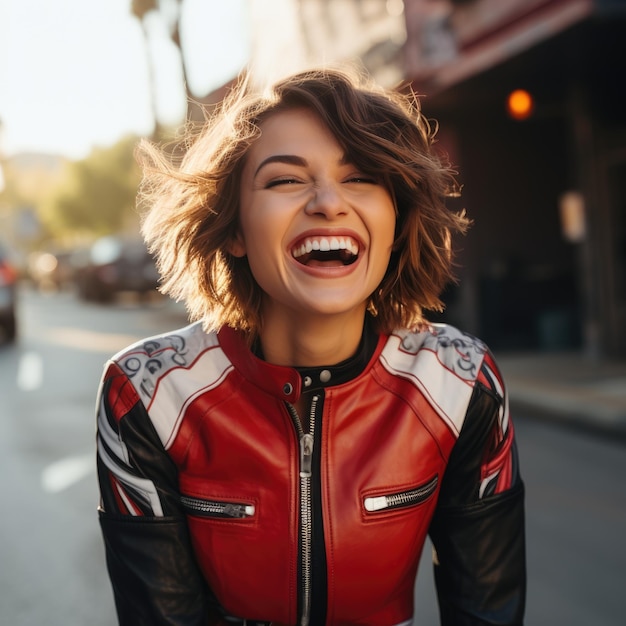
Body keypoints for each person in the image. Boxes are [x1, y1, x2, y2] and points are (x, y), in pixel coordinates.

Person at [96, 67, 526, 626]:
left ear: (395, 221)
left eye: (361, 178)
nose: (328, 203)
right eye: (284, 181)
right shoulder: (146, 393)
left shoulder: (463, 381)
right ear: (234, 230)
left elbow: (486, 610)